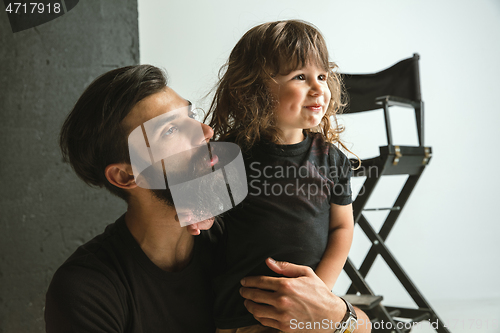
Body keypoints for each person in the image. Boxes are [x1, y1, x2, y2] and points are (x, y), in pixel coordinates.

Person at [45, 64, 370, 332]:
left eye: (191, 115)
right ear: (127, 175)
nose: (206, 132)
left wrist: (338, 319)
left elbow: (368, 327)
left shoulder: (241, 233)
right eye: (170, 131)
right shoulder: (88, 291)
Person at [207, 20, 366, 332]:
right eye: (300, 77)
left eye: (322, 75)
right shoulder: (226, 156)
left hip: (307, 314)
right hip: (240, 315)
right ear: (255, 89)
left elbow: (342, 227)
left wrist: (319, 291)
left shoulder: (331, 159)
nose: (319, 87)